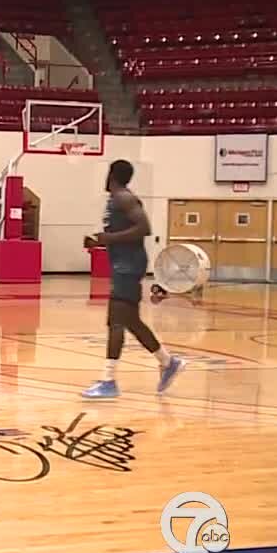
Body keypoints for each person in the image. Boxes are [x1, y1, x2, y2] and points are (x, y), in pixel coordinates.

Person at [80, 159, 186, 399]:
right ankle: (168, 362)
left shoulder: (125, 198)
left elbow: (144, 228)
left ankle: (108, 381)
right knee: (131, 322)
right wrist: (100, 241)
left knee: (116, 322)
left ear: (111, 175)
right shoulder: (115, 200)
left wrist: (108, 239)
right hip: (123, 264)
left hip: (129, 266)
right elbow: (118, 234)